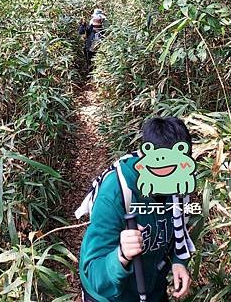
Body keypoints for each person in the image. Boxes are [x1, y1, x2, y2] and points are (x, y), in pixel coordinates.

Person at [78, 116, 193, 302]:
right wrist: (121, 255)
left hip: (152, 290)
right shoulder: (115, 193)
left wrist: (179, 261)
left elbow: (181, 228)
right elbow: (94, 273)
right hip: (109, 297)